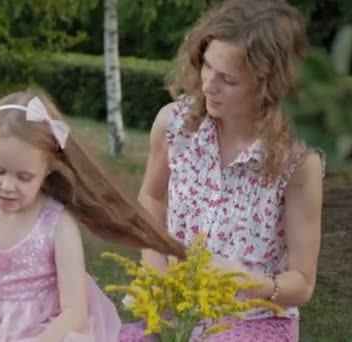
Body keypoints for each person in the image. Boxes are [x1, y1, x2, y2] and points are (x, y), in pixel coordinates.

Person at [119, 0, 325, 341]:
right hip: (176, 311)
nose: (207, 86)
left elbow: (302, 282)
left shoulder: (298, 163)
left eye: (227, 79)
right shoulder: (174, 126)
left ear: (269, 86)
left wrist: (251, 284)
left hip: (254, 320)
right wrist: (158, 284)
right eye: (206, 66)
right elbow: (152, 200)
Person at [0, 89, 185, 342]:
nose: (8, 186)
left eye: (24, 177)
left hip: (51, 329)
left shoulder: (57, 224)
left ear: (48, 169)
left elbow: (74, 312)